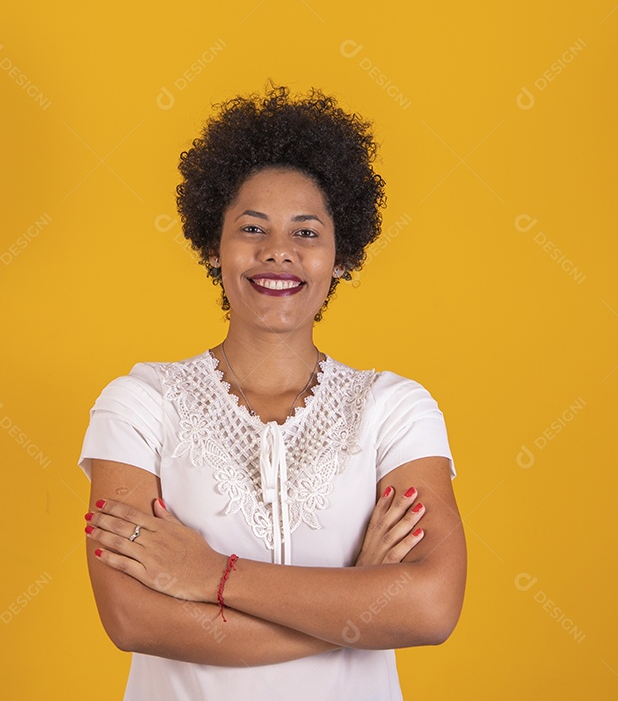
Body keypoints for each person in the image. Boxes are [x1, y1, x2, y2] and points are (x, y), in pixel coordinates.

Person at [78, 82, 467, 701]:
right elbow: (132, 620)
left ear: (342, 255)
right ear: (213, 246)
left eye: (307, 233)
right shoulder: (139, 404)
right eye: (252, 227)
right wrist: (357, 605)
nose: (278, 252)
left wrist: (211, 576)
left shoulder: (394, 410)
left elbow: (430, 608)